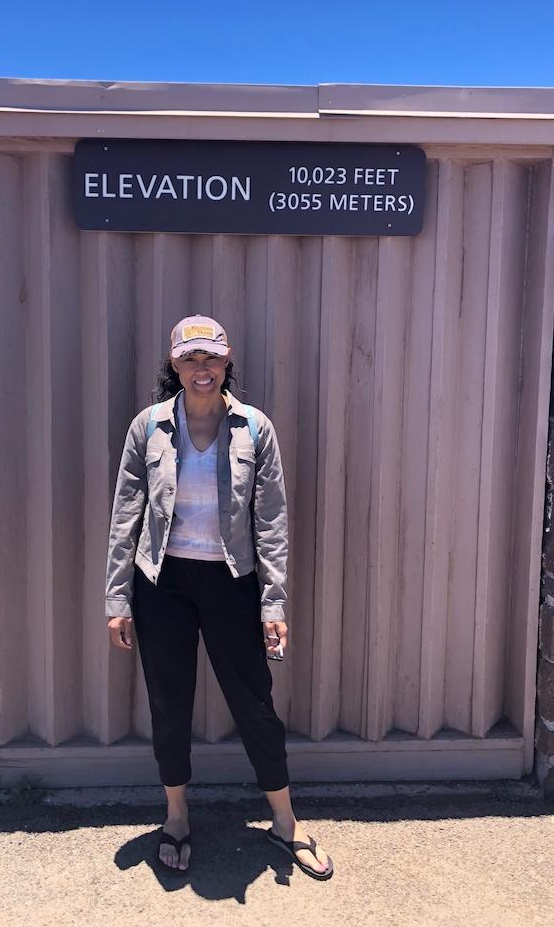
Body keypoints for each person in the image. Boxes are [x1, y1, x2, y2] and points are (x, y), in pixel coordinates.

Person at [105, 314, 333, 881]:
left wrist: (274, 602)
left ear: (227, 360)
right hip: (164, 583)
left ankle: (285, 822)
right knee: (169, 701)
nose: (201, 368)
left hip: (233, 582)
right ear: (174, 365)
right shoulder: (148, 428)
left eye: (210, 357)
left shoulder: (255, 429)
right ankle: (177, 817)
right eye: (189, 359)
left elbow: (272, 521)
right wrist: (118, 599)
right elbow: (124, 518)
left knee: (254, 701)